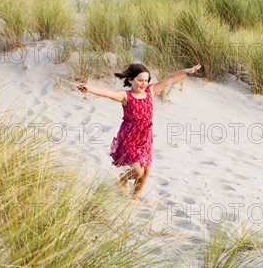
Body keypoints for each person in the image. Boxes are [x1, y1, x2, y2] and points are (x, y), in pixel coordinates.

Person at [78, 63, 201, 199]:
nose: (143, 84)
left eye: (146, 80)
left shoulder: (150, 91)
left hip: (145, 138)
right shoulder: (126, 96)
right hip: (130, 138)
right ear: (131, 79)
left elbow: (169, 80)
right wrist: (89, 88)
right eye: (140, 80)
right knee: (137, 170)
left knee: (146, 172)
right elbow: (107, 93)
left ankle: (132, 199)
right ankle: (122, 178)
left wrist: (186, 71)